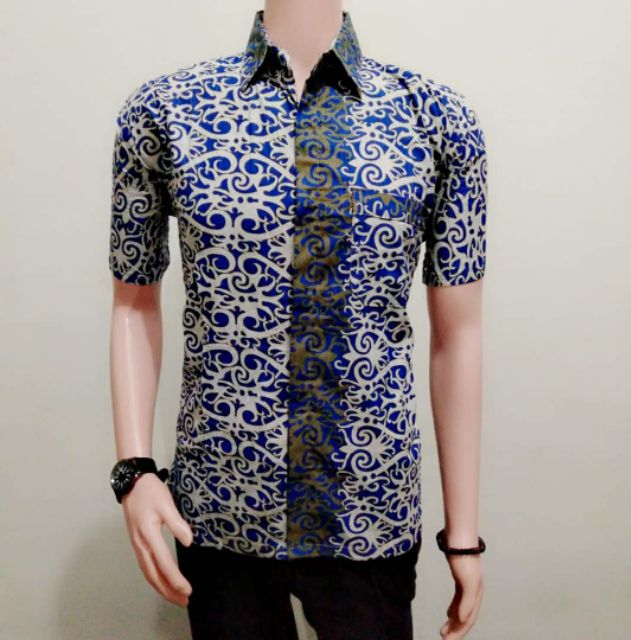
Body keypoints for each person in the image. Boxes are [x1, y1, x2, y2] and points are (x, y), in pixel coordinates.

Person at [108, 1, 488, 638]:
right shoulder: (166, 111)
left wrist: (464, 536)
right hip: (222, 504)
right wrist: (136, 472)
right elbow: (132, 302)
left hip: (368, 506)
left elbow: (460, 335)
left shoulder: (436, 119)